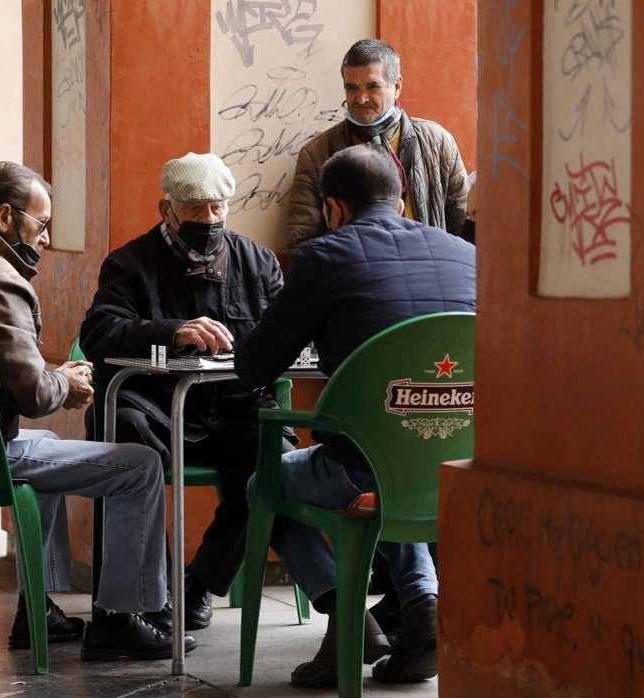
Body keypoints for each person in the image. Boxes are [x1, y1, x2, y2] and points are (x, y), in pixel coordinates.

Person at [0, 161, 195, 661]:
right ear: (6, 216)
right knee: (141, 466)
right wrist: (63, 382)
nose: (45, 240)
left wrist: (52, 376)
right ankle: (122, 616)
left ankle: (37, 609)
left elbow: (2, 367)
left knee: (43, 452)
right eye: (41, 225)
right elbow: (34, 397)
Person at [236, 145, 475, 687]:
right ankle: (423, 609)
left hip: (364, 467)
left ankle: (345, 611)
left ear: (333, 208)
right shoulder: (466, 254)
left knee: (265, 484)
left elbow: (254, 367)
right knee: (394, 454)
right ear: (404, 199)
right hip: (455, 468)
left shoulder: (326, 256)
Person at [80, 152, 289, 632]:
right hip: (156, 408)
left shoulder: (258, 263)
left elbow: (288, 332)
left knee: (275, 458)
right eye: (194, 210)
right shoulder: (129, 264)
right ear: (166, 209)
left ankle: (200, 583)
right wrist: (173, 331)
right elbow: (99, 334)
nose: (208, 220)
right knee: (120, 430)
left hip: (236, 410)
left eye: (217, 208)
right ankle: (148, 591)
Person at [284, 38, 469, 250]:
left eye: (373, 86)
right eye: (352, 88)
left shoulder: (437, 142)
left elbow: (461, 224)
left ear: (397, 86)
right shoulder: (317, 153)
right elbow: (302, 242)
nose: (361, 99)